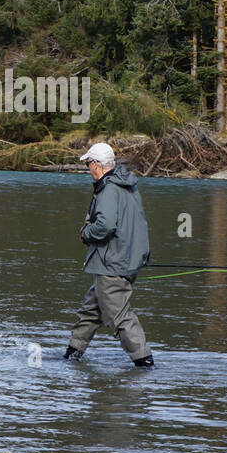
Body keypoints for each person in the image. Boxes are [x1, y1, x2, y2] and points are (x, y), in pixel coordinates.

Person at [64, 142, 154, 367]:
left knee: (119, 317)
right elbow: (139, 224)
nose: (88, 169)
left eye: (88, 164)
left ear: (96, 164)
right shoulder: (128, 186)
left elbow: (104, 225)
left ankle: (145, 364)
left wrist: (86, 233)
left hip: (111, 264)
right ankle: (71, 356)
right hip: (123, 261)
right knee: (90, 312)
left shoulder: (108, 188)